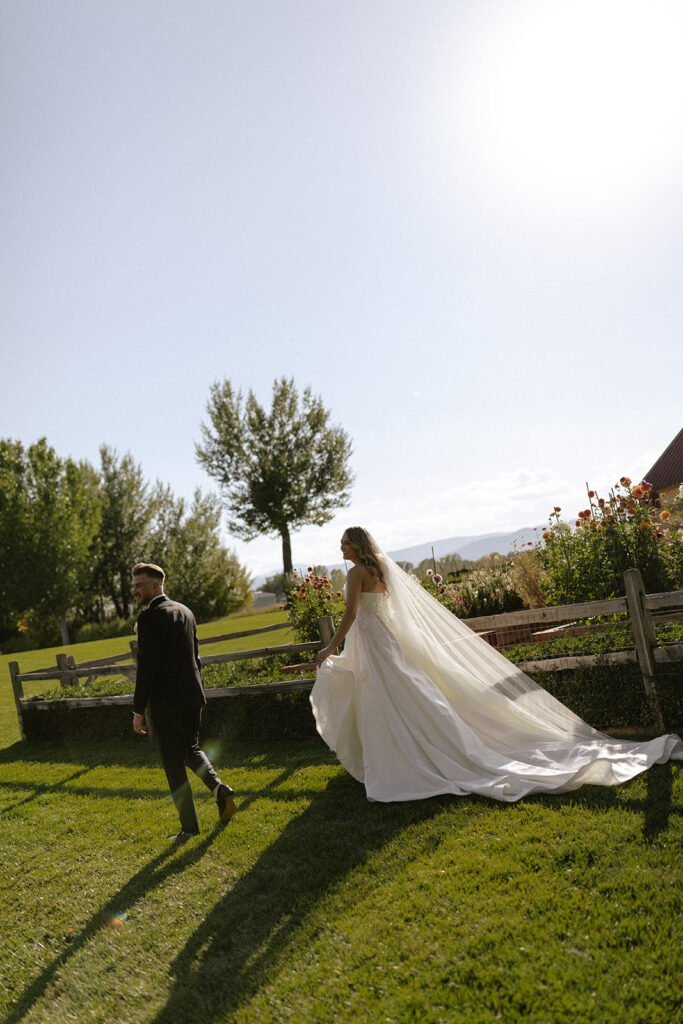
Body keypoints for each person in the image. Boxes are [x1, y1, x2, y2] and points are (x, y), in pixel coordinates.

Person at [311, 528, 683, 803]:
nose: (340, 549)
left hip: (374, 640)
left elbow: (350, 615)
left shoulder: (356, 573)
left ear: (355, 545)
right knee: (399, 692)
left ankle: (403, 760)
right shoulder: (380, 572)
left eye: (343, 543)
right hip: (383, 639)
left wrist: (330, 646)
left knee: (387, 696)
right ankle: (406, 750)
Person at [131, 562, 235, 840]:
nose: (134, 591)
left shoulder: (149, 618)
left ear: (156, 585)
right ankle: (219, 789)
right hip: (193, 696)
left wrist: (138, 710)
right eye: (133, 586)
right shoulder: (185, 611)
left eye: (139, 585)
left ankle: (188, 828)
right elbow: (196, 658)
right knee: (190, 749)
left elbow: (147, 668)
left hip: (167, 703)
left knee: (173, 764)